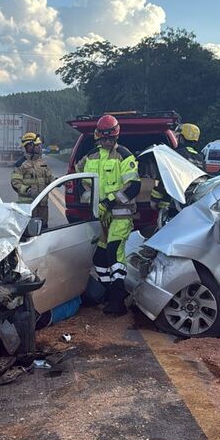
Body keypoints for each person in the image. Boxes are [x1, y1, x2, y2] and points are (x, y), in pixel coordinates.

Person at [75, 115, 141, 316]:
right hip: (100, 216)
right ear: (98, 136)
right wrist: (93, 202)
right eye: (104, 138)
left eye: (110, 139)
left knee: (114, 253)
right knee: (100, 257)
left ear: (116, 136)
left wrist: (109, 201)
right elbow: (81, 181)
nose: (107, 142)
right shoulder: (91, 157)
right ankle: (107, 293)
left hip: (120, 214)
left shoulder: (124, 155)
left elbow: (134, 186)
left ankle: (118, 300)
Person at [11, 132, 54, 229]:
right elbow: (15, 183)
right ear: (29, 146)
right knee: (29, 232)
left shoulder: (42, 162)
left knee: (44, 231)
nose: (39, 147)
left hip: (43, 207)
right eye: (37, 145)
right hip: (28, 207)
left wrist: (57, 181)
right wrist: (28, 190)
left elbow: (49, 178)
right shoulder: (20, 164)